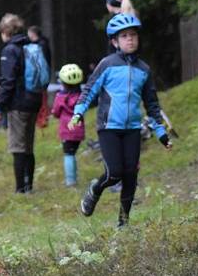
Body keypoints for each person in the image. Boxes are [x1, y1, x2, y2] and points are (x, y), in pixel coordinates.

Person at [70, 14, 172, 228]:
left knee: (131, 175)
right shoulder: (107, 64)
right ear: (115, 41)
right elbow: (89, 90)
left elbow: (151, 103)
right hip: (109, 127)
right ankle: (94, 190)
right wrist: (78, 112)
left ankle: (123, 223)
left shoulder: (144, 69)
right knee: (115, 173)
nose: (130, 39)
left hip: (133, 129)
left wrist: (161, 132)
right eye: (124, 36)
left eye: (133, 35)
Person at [0, 13, 43, 194]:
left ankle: (20, 189)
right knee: (28, 146)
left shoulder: (10, 50)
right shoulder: (30, 46)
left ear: (6, 31)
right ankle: (29, 186)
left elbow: (9, 82)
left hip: (18, 103)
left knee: (18, 147)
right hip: (34, 100)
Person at [51, 64, 85, 187]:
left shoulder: (60, 97)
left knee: (68, 154)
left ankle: (70, 181)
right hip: (78, 131)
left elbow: (55, 113)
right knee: (73, 153)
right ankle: (74, 177)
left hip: (66, 130)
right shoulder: (82, 96)